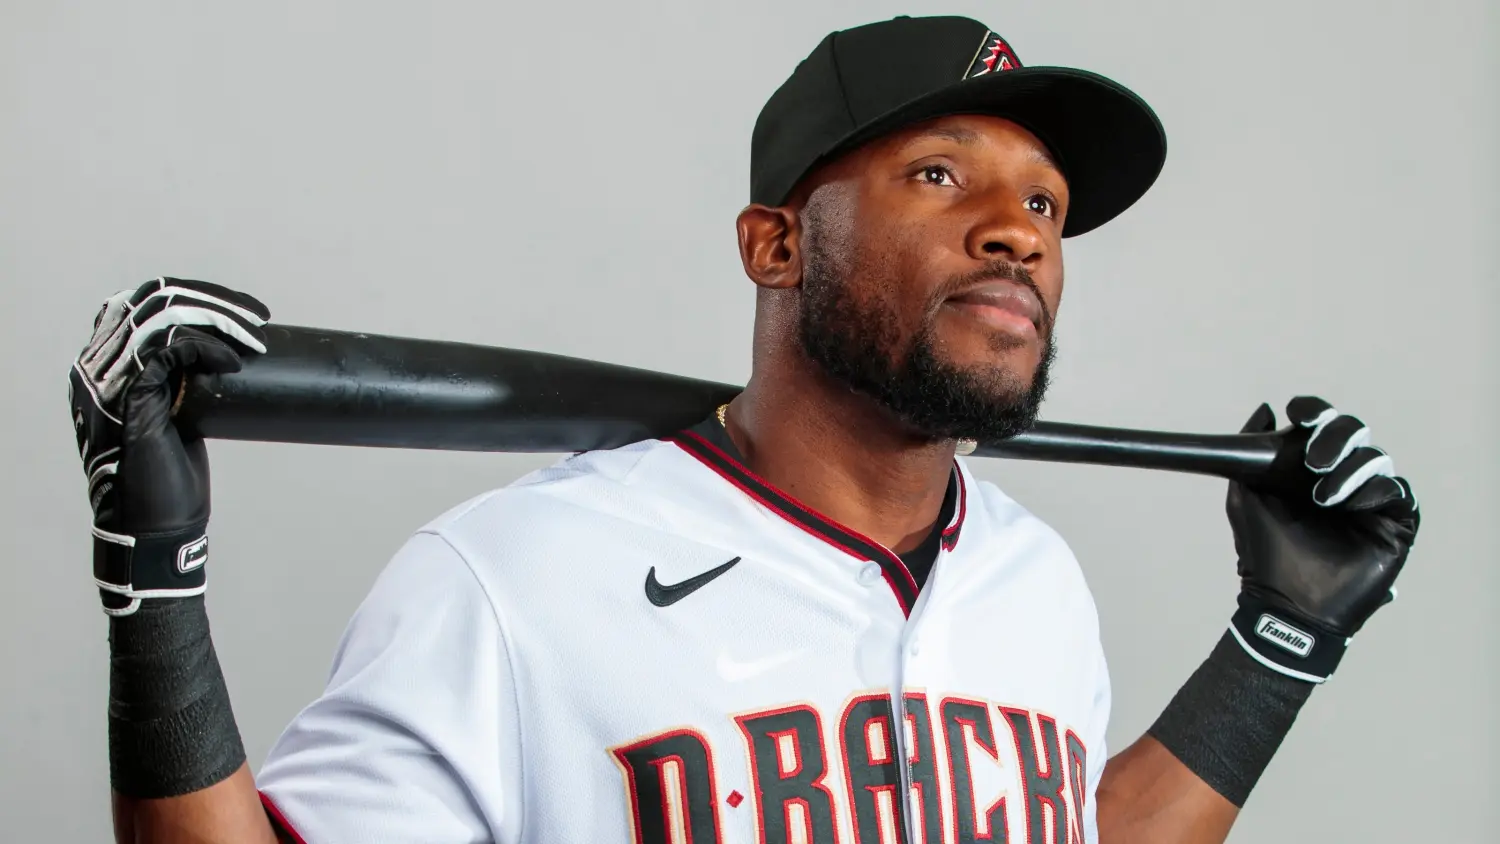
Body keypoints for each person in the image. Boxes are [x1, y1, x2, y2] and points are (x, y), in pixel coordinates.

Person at [69, 14, 1419, 844]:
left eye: (1045, 207)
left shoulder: (1037, 581)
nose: (1016, 233)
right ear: (777, 245)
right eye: (939, 174)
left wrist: (1278, 647)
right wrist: (154, 592)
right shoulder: (514, 579)